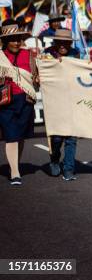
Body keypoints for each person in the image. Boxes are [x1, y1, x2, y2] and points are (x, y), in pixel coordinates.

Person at [0, 21, 38, 185]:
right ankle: (15, 172)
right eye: (12, 39)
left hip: (26, 99)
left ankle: (14, 165)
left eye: (18, 38)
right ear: (5, 41)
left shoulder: (29, 55)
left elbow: (36, 77)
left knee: (20, 136)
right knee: (11, 136)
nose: (16, 42)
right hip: (5, 101)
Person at [42, 29, 80, 180]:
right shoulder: (46, 54)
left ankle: (69, 168)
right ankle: (54, 158)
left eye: (66, 42)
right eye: (60, 42)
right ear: (55, 42)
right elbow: (41, 73)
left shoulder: (75, 53)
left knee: (71, 137)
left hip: (72, 99)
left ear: (70, 43)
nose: (63, 45)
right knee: (57, 137)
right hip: (54, 101)